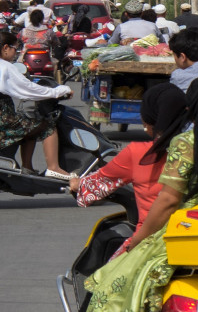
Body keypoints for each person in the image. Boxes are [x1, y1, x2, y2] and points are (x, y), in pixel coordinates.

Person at [83, 75, 198, 311]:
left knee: (110, 286)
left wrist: (137, 240)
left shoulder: (186, 142)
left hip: (190, 231)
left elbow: (168, 200)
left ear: (194, 107)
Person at [69, 83, 189, 256]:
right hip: (194, 240)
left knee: (101, 281)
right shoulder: (197, 150)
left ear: (148, 119)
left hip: (148, 244)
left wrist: (76, 183)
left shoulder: (136, 153)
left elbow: (94, 186)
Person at [0, 31, 74, 179]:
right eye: (16, 48)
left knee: (31, 127)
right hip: (3, 116)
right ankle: (54, 168)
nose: (16, 52)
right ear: (6, 48)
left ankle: (28, 168)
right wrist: (59, 91)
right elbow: (29, 89)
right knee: (47, 126)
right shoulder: (6, 66)